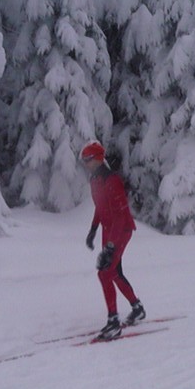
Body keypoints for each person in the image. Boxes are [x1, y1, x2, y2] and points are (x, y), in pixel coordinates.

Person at [80, 140, 145, 340]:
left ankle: (113, 323)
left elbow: (120, 216)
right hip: (108, 230)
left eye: (88, 159)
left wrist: (110, 247)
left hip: (121, 230)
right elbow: (100, 207)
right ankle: (137, 308)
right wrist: (93, 229)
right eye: (84, 160)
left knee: (105, 273)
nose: (86, 163)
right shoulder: (95, 180)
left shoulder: (112, 181)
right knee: (113, 273)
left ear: (99, 159)